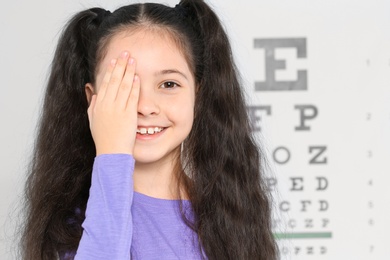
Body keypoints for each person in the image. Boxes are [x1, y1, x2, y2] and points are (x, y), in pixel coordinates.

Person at [22, 0, 278, 259]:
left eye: (168, 84)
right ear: (93, 100)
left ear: (197, 95)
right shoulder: (71, 227)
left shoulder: (231, 216)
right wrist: (112, 155)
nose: (145, 107)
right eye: (124, 86)